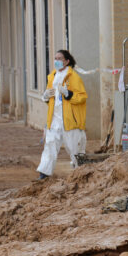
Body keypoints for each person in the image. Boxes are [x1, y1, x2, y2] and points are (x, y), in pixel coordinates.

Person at [36, 50, 87, 180]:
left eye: (59, 58)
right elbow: (51, 100)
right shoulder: (51, 77)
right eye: (55, 58)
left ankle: (80, 174)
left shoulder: (74, 77)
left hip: (70, 121)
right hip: (54, 120)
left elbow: (82, 97)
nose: (56, 61)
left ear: (66, 61)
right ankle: (44, 174)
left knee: (74, 148)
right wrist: (45, 97)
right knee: (50, 146)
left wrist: (69, 94)